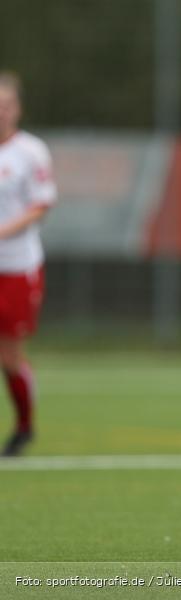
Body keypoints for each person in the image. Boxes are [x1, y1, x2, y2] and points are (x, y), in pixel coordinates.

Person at [0, 72, 56, 457]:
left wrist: (3, 231)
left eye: (6, 106)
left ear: (17, 109)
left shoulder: (30, 152)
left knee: (9, 356)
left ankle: (24, 426)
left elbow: (41, 205)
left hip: (18, 268)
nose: (1, 112)